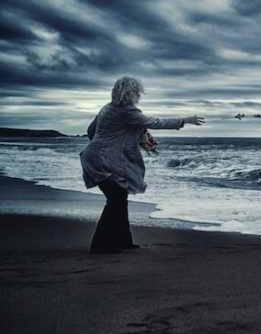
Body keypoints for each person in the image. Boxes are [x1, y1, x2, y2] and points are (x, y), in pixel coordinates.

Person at [80, 76, 204, 254]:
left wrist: (104, 145)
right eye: (137, 92)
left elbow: (91, 131)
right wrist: (184, 120)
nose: (139, 94)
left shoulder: (107, 108)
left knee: (119, 199)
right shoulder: (127, 112)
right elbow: (155, 122)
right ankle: (100, 245)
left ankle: (124, 241)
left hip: (94, 158)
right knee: (116, 201)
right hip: (105, 161)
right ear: (132, 93)